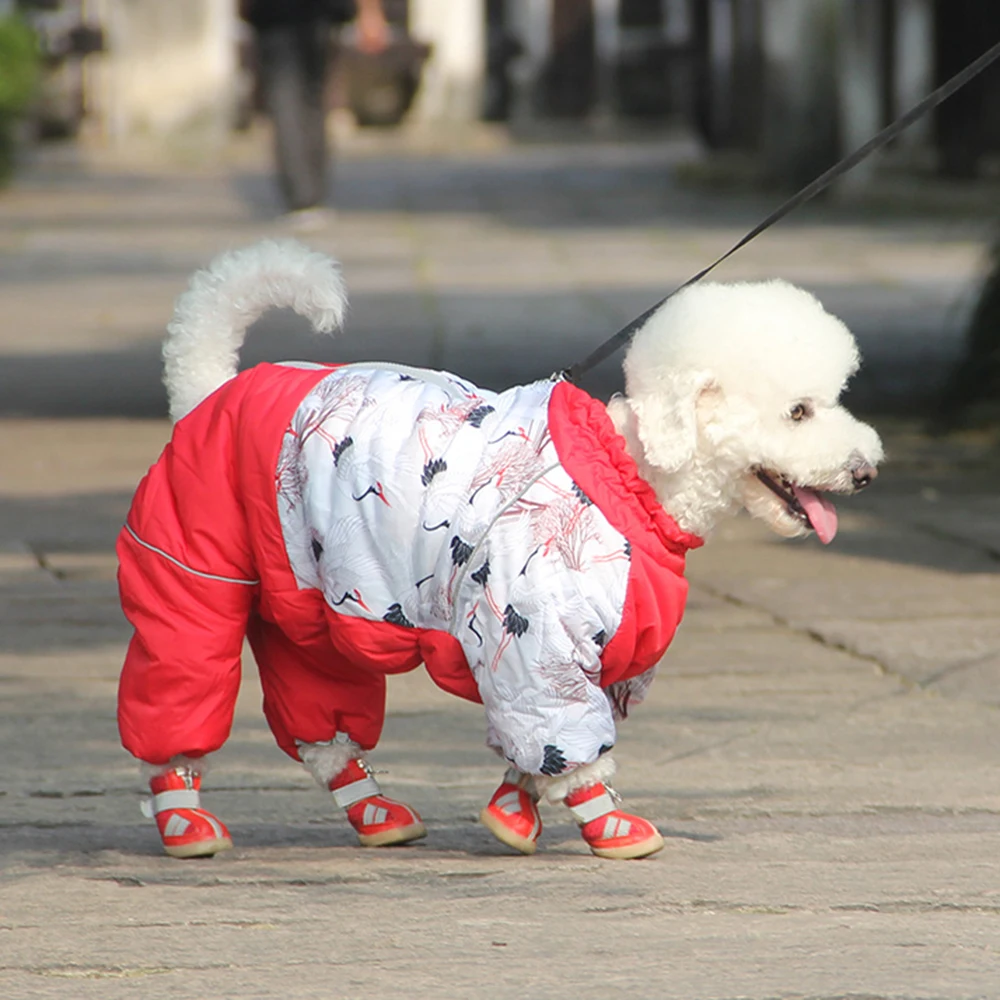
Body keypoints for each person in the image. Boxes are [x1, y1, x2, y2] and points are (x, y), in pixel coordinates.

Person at [240, 0, 389, 228]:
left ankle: (304, 193)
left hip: (287, 12)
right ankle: (308, 192)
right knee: (303, 94)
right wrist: (369, 11)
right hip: (310, 12)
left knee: (291, 94)